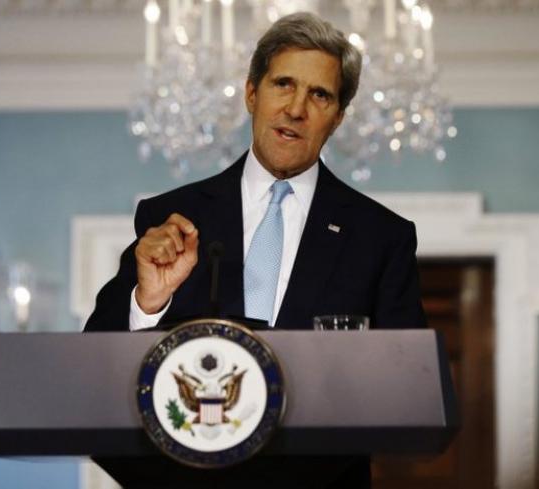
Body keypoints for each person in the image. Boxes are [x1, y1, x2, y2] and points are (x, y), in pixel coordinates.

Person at [85, 11, 427, 488]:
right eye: (283, 84)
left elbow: (410, 385)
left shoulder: (380, 237)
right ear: (252, 93)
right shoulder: (171, 217)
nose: (295, 108)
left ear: (338, 117)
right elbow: (93, 362)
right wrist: (148, 303)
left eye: (319, 95)